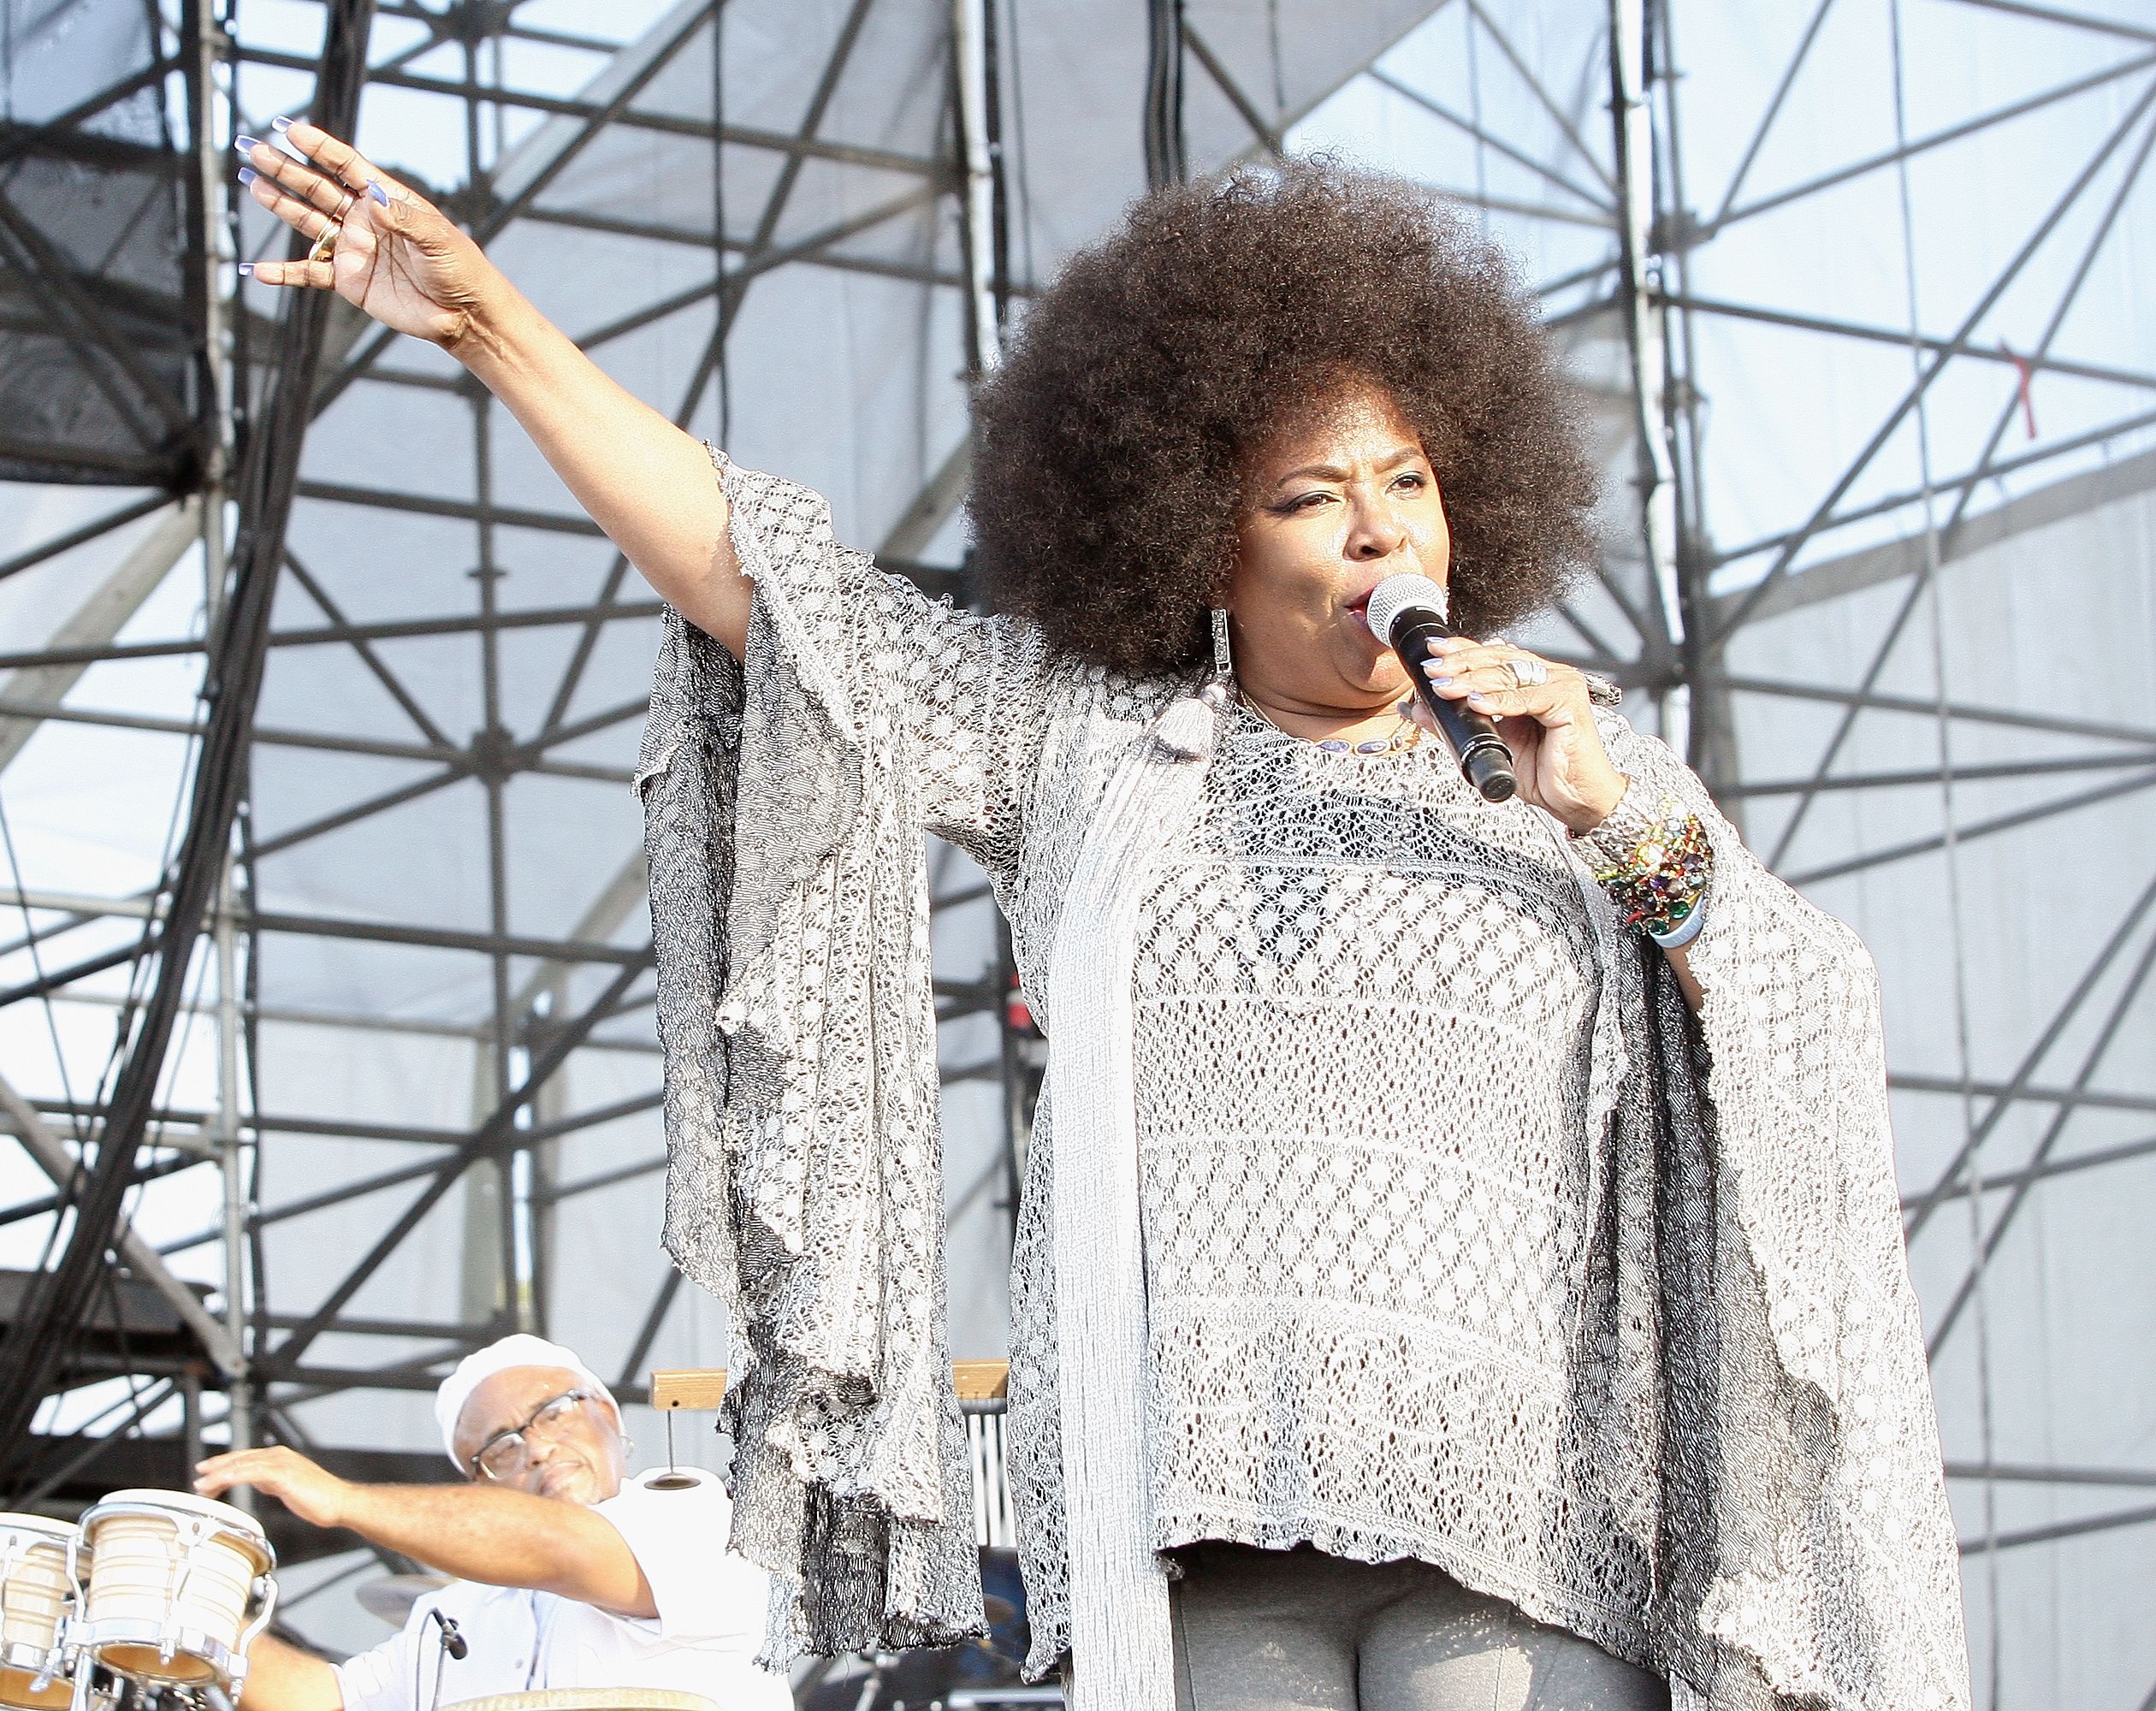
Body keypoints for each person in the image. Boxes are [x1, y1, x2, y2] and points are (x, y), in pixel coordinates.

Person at [232, 122, 1968, 1711]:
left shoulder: (1582, 768)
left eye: (1408, 482)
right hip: (1194, 1544)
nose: (1378, 532)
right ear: (1200, 538)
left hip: (1523, 1534)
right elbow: (772, 587)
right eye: (1310, 497)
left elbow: (1799, 1011)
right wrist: (489, 326)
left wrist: (1621, 822)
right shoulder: (1089, 752)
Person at [198, 1334, 790, 1711]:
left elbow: (564, 1550)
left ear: (607, 1412)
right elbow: (327, 1701)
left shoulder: (696, 1515)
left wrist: (342, 1500)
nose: (535, 1448)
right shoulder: (452, 1616)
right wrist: (192, 1613)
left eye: (554, 1413)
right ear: (482, 1483)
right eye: (501, 1448)